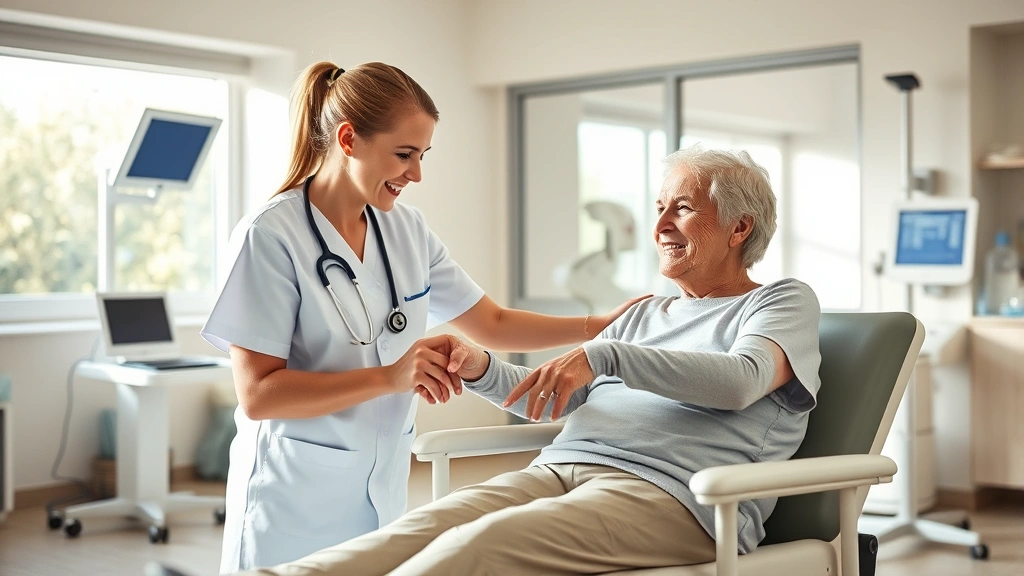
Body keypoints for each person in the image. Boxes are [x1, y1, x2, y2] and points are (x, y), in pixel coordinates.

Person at [149, 145, 821, 576]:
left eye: (683, 209)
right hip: (566, 468)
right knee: (419, 530)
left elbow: (741, 384)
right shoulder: (648, 311)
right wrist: (478, 367)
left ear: (739, 228)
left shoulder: (781, 303)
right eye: (658, 209)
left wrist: (606, 354)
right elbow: (545, 398)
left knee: (470, 553)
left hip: (675, 500)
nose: (660, 226)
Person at [199, 61, 639, 572]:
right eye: (404, 155)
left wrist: (598, 327)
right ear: (348, 139)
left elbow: (491, 323)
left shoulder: (405, 228)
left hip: (383, 484)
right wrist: (391, 377)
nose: (417, 174)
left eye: (423, 155)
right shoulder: (271, 236)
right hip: (294, 491)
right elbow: (258, 395)